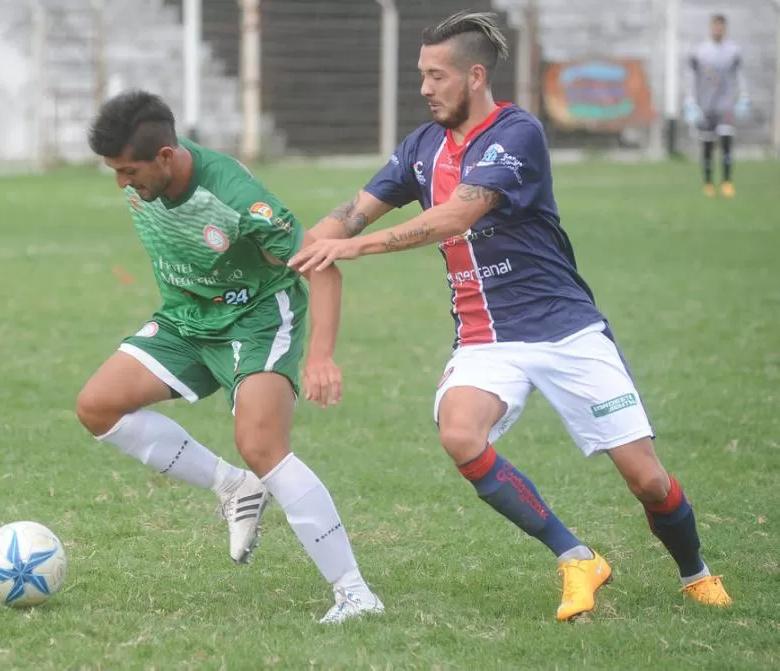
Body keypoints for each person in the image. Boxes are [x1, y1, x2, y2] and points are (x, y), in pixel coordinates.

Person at [289, 11, 732, 621]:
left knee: (647, 481)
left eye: (436, 76)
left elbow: (454, 217)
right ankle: (577, 557)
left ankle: (695, 573)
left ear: (474, 76)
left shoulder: (516, 133)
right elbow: (347, 218)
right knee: (459, 433)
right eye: (421, 75)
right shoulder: (420, 148)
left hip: (564, 328)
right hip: (484, 339)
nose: (424, 88)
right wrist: (292, 245)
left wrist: (353, 247)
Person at [76, 89, 383, 623]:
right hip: (186, 317)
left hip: (257, 318)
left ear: (165, 157)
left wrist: (321, 358)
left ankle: (356, 594)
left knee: (262, 444)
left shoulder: (238, 198)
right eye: (114, 171)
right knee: (97, 406)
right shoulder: (147, 178)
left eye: (128, 171)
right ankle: (232, 486)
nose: (122, 183)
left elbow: (321, 265)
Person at [684, 13, 749, 198]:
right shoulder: (700, 51)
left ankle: (727, 182)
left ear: (725, 28)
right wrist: (689, 101)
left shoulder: (733, 51)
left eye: (721, 27)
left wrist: (744, 97)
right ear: (711, 27)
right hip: (706, 106)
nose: (718, 30)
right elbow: (690, 77)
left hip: (726, 105)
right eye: (715, 26)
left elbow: (741, 75)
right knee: (707, 145)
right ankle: (708, 182)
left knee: (727, 143)